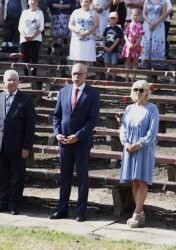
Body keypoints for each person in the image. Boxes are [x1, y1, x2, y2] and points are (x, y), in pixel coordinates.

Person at [51, 63, 100, 222]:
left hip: (81, 142)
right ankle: (62, 210)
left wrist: (78, 136)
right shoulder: (63, 91)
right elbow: (56, 116)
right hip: (64, 142)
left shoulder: (92, 94)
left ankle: (81, 211)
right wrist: (57, 133)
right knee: (64, 177)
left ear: (86, 75)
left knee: (82, 178)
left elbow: (92, 120)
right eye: (74, 73)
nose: (76, 76)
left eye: (80, 73)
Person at [0, 70, 35, 215]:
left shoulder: (26, 100)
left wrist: (27, 147)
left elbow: (30, 126)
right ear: (4, 81)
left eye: (14, 80)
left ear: (18, 82)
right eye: (9, 80)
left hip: (18, 146)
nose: (12, 82)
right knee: (2, 176)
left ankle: (14, 204)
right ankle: (2, 202)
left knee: (17, 177)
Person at [119, 80, 159, 228]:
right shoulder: (129, 108)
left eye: (141, 90)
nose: (138, 92)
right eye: (135, 89)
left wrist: (139, 143)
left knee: (142, 180)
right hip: (129, 148)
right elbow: (123, 128)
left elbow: (152, 132)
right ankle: (140, 213)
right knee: (134, 180)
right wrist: (126, 143)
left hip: (144, 149)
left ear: (147, 92)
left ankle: (136, 214)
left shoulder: (152, 109)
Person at [18, 0, 44, 76]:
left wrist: (33, 36)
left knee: (34, 57)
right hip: (24, 38)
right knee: (25, 58)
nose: (33, 2)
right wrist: (25, 36)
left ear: (37, 3)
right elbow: (20, 27)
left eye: (35, 1)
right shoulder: (24, 12)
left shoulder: (40, 13)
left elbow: (41, 27)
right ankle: (25, 75)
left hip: (36, 38)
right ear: (28, 2)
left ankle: (33, 75)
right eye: (31, 0)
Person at [68, 0, 99, 65]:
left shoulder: (94, 13)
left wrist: (86, 33)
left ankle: (85, 75)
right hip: (76, 40)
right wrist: (78, 31)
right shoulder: (75, 12)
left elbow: (96, 25)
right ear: (81, 2)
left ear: (90, 3)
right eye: (84, 1)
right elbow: (70, 25)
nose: (86, 3)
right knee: (76, 62)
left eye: (88, 2)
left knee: (86, 62)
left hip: (88, 40)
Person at [141, 0, 167, 69]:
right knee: (147, 42)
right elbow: (144, 13)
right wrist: (150, 23)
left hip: (159, 25)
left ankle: (156, 65)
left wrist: (155, 23)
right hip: (147, 24)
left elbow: (164, 14)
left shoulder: (163, 2)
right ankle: (146, 64)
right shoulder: (147, 1)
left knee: (157, 42)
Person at [121, 8, 143, 82]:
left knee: (135, 63)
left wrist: (135, 44)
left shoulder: (140, 25)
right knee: (127, 63)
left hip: (136, 45)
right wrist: (129, 43)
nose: (135, 17)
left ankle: (133, 79)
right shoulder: (128, 25)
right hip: (128, 45)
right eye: (134, 15)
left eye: (137, 15)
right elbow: (125, 35)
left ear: (139, 16)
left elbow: (140, 36)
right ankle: (126, 79)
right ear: (131, 15)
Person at [102, 11, 123, 80]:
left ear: (117, 19)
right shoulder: (107, 28)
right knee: (106, 63)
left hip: (114, 50)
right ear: (109, 19)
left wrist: (111, 47)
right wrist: (104, 46)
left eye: (114, 18)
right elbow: (104, 37)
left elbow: (118, 39)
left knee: (114, 64)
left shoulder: (118, 29)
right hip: (106, 49)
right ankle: (106, 77)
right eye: (111, 18)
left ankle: (114, 77)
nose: (113, 20)